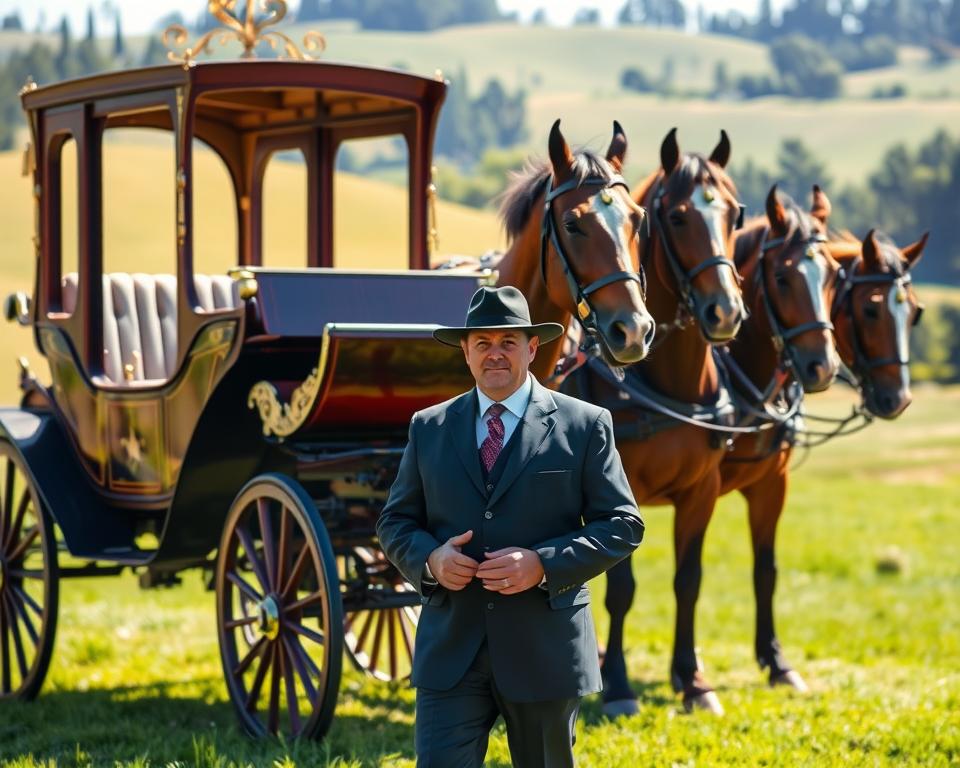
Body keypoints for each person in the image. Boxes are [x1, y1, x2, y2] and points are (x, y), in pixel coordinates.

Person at [376, 285, 644, 768]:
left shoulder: (585, 425)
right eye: (482, 343)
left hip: (545, 650)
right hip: (450, 651)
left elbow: (623, 524)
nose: (494, 354)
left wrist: (543, 564)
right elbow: (396, 520)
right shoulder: (429, 427)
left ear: (532, 348)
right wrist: (431, 560)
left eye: (507, 342)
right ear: (465, 350)